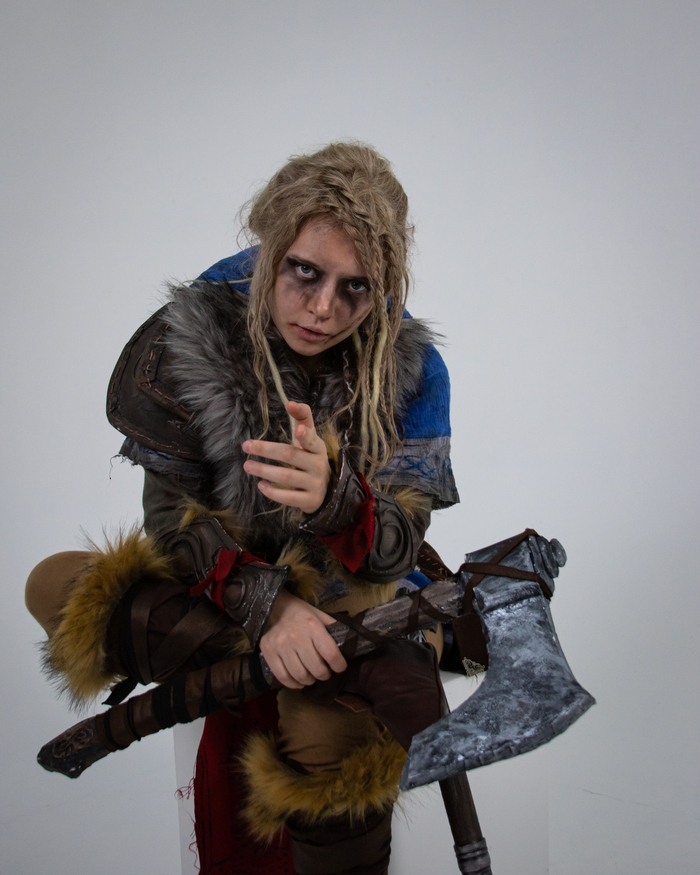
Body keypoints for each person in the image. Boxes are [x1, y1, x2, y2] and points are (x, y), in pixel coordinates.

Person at [26, 142, 461, 875]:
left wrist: (335, 500)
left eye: (355, 287)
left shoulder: (410, 364)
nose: (323, 308)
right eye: (305, 272)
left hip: (349, 594)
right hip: (225, 584)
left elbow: (395, 551)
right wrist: (273, 612)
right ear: (271, 244)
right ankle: (322, 664)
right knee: (53, 584)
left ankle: (331, 675)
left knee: (329, 744)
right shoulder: (188, 336)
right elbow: (173, 524)